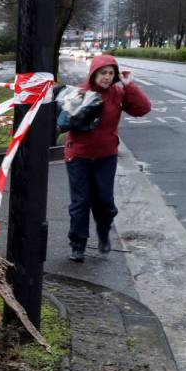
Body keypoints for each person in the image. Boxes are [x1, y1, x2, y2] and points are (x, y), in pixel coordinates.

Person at [65, 54, 151, 262]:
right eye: (103, 73)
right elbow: (65, 121)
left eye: (111, 73)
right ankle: (78, 245)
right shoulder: (80, 92)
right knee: (80, 202)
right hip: (79, 156)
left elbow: (143, 109)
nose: (107, 77)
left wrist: (129, 86)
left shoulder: (117, 93)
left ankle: (103, 233)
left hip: (105, 157)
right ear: (94, 73)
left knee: (104, 201)